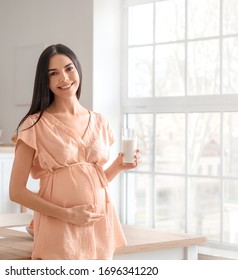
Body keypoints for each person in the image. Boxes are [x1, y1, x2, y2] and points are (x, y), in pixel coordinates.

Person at [9, 44, 140, 260]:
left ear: (78, 70)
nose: (64, 77)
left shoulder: (99, 121)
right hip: (59, 228)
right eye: (54, 73)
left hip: (98, 226)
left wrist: (118, 166)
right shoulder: (34, 125)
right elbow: (16, 192)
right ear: (46, 81)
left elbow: (92, 180)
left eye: (69, 69)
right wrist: (69, 215)